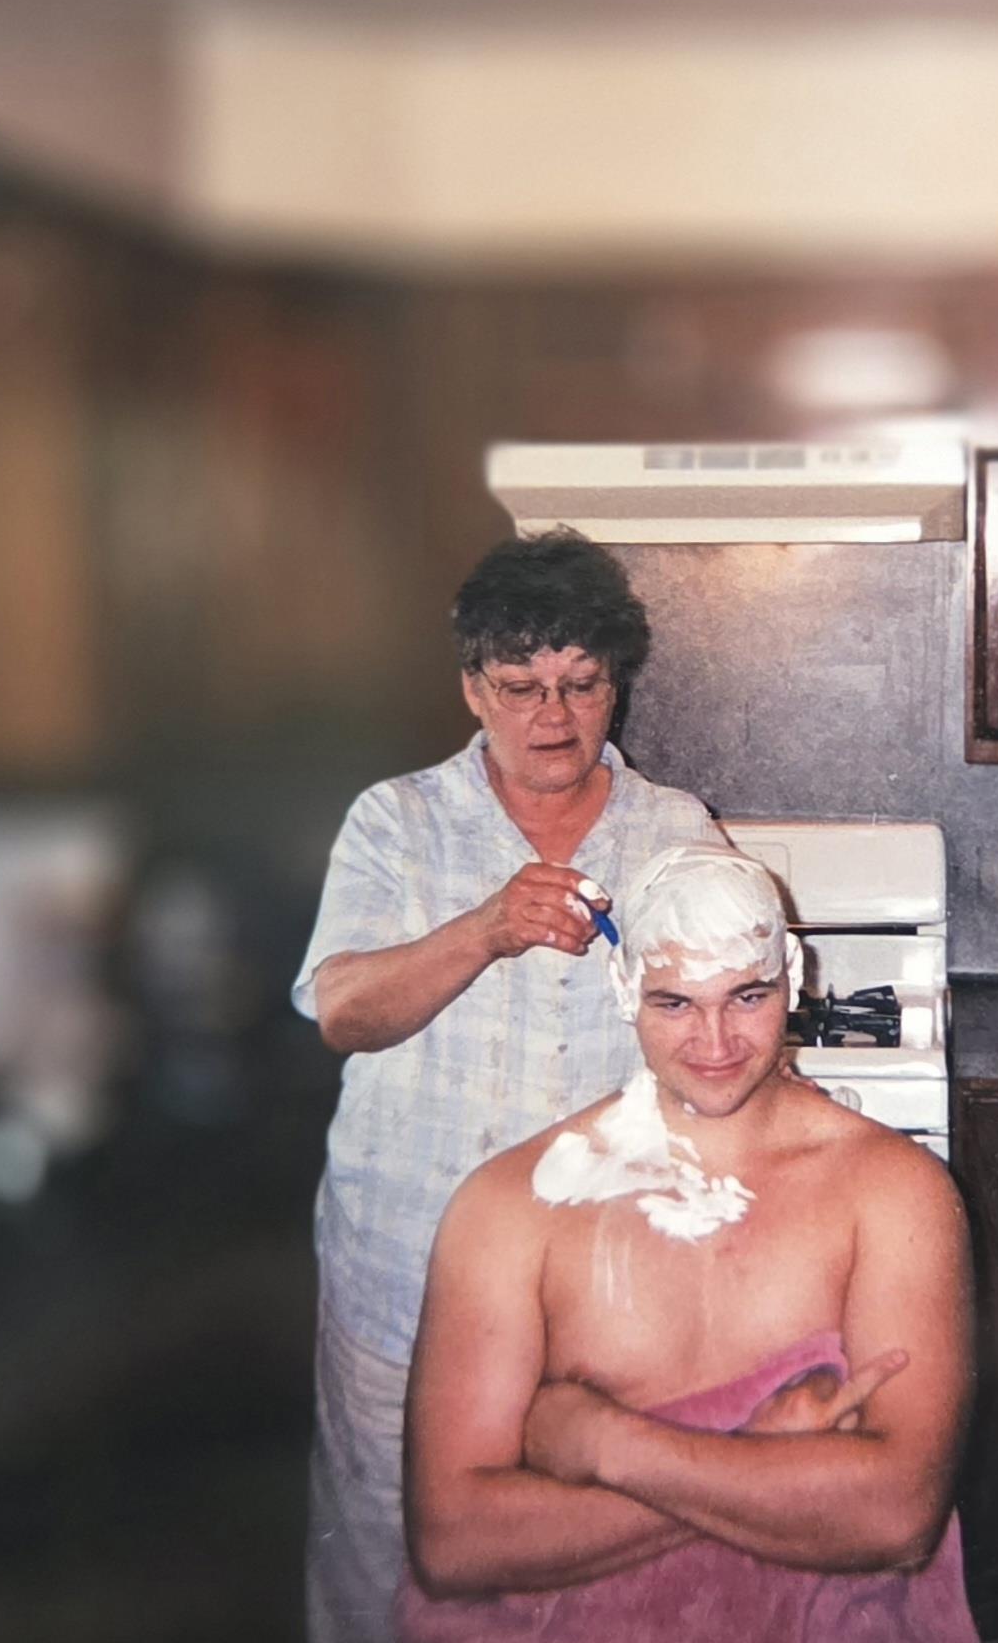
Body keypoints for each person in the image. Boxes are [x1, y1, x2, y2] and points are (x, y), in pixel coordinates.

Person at [293, 531, 722, 1642]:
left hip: (602, 1280)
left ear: (614, 687)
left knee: (578, 1559)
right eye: (520, 686)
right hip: (403, 1258)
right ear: (472, 690)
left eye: (582, 685)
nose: (553, 717)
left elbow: (727, 1045)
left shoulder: (674, 834)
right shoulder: (395, 821)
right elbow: (343, 1009)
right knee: (385, 1552)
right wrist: (485, 928)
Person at [396, 845, 979, 1642]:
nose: (716, 1041)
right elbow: (454, 1545)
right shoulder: (509, 1208)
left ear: (796, 976)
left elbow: (897, 1516)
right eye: (674, 1003)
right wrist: (765, 1466)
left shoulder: (896, 1193)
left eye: (747, 995)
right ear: (623, 989)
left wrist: (607, 1444)